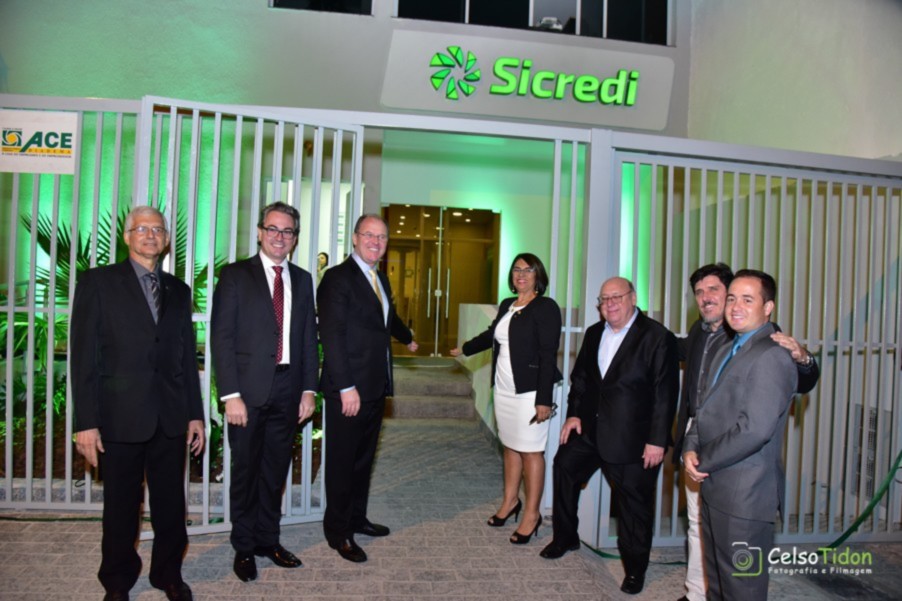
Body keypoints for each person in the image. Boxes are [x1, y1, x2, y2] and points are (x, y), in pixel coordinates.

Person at [71, 206, 205, 601]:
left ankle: (168, 575)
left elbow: (185, 357)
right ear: (127, 236)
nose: (150, 235)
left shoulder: (179, 290)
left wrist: (195, 415)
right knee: (120, 508)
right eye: (141, 228)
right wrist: (85, 423)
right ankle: (117, 581)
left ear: (166, 240)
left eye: (157, 229)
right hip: (119, 416)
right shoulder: (98, 283)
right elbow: (83, 357)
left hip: (170, 417)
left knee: (171, 506)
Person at [672, 263, 820, 601]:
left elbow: (754, 430)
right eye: (733, 299)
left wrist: (703, 458)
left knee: (742, 588)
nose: (736, 306)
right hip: (716, 485)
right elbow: (702, 406)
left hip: (745, 495)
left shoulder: (772, 352)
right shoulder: (727, 346)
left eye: (747, 300)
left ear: (768, 308)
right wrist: (691, 445)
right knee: (718, 583)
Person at [540, 276, 679, 597]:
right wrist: (574, 414)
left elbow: (665, 393)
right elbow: (581, 379)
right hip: (590, 430)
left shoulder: (657, 337)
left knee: (634, 508)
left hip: (635, 440)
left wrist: (657, 440)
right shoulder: (593, 333)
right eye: (604, 299)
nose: (611, 303)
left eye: (617, 296)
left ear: (633, 298)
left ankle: (635, 569)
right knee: (564, 467)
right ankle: (565, 537)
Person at [210, 202, 318, 583]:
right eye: (273, 229)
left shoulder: (303, 280)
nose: (279, 237)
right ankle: (243, 546)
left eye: (287, 231)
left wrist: (309, 389)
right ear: (260, 232)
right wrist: (230, 395)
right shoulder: (235, 275)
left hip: (289, 389)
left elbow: (308, 339)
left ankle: (268, 540)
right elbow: (221, 338)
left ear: (295, 238)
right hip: (247, 393)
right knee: (246, 472)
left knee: (275, 472)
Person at [317, 213, 418, 563]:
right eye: (369, 235)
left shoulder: (380, 279)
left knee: (363, 460)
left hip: (375, 386)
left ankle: (357, 518)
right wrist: (346, 386)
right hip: (348, 389)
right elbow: (332, 335)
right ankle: (338, 531)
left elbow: (386, 319)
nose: (376, 242)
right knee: (342, 463)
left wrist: (408, 337)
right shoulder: (337, 278)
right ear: (355, 238)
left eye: (382, 237)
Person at [450, 253, 563, 544]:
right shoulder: (507, 304)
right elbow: (492, 335)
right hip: (503, 391)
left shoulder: (546, 307)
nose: (521, 275)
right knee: (510, 447)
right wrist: (465, 348)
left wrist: (544, 399)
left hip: (530, 394)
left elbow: (548, 354)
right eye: (516, 270)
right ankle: (510, 501)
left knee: (531, 452)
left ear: (538, 276)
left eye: (528, 270)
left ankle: (532, 515)